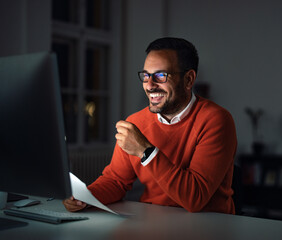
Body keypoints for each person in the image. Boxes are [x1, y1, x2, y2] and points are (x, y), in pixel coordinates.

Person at [63, 37, 237, 214]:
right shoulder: (136, 122)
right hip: (153, 221)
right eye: (146, 75)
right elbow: (116, 181)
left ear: (188, 79)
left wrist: (145, 151)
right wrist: (84, 197)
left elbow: (195, 198)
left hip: (210, 226)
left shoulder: (216, 120)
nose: (149, 85)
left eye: (161, 75)